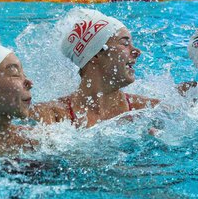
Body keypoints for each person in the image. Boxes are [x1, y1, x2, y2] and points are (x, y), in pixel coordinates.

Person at [31, 8, 159, 128]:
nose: (137, 51)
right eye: (125, 43)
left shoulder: (149, 110)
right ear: (96, 54)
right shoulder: (52, 115)